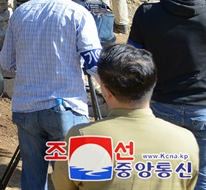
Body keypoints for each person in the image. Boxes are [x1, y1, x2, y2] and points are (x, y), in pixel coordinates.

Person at [0, 0, 102, 190]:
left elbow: (6, 63)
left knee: (33, 180)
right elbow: (94, 65)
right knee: (73, 180)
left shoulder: (21, 12)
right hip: (66, 110)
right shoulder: (79, 13)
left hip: (26, 109)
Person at [52, 43, 200, 190]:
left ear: (106, 91)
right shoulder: (186, 140)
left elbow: (64, 186)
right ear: (152, 84)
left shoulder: (82, 139)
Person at [129, 0, 206, 190]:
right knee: (201, 179)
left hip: (160, 107)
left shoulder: (147, 13)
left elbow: (132, 61)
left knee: (159, 178)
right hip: (202, 110)